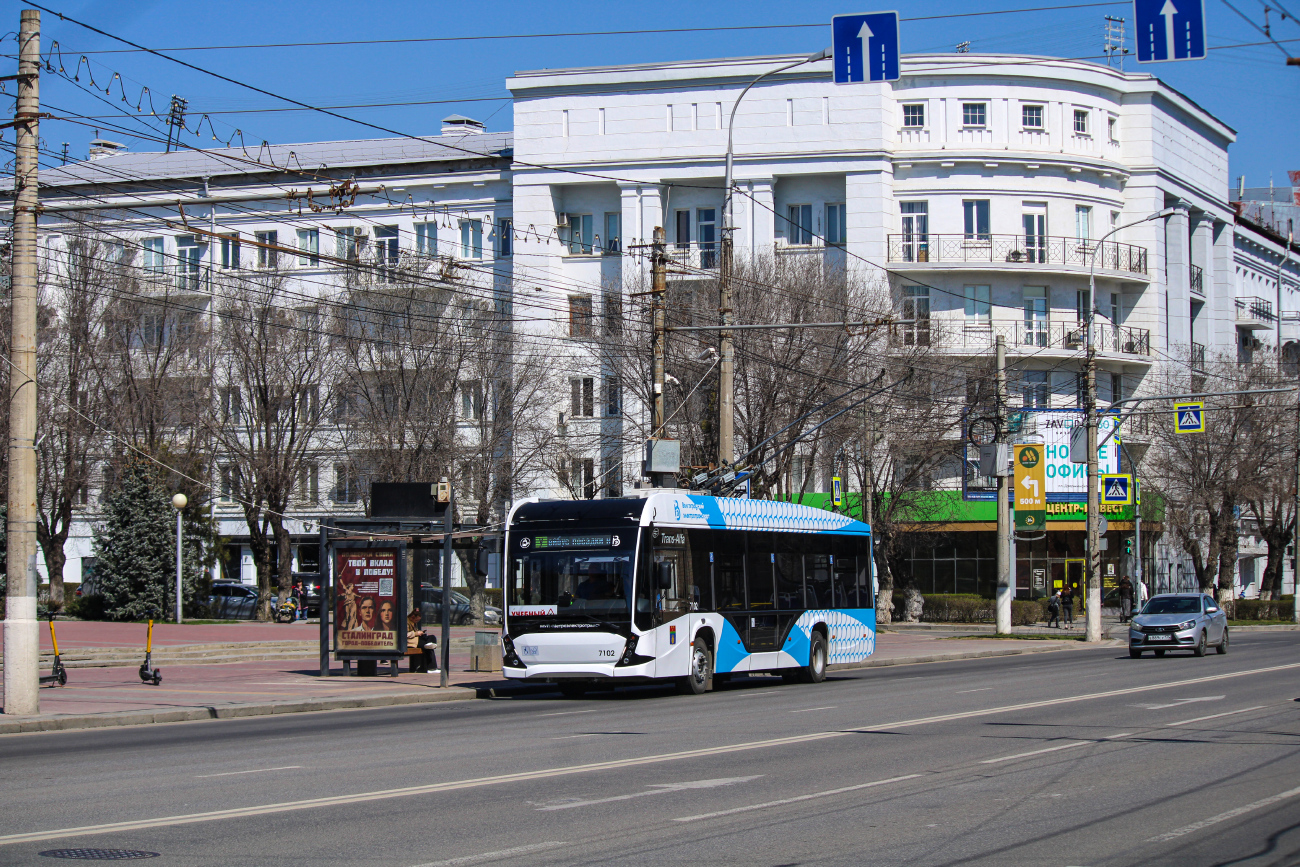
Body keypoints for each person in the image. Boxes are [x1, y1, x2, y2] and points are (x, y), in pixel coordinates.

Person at [407, 608, 438, 673]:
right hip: (410, 642)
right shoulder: (406, 622)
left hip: (416, 639)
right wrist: (416, 633)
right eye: (416, 620)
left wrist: (420, 633)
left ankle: (429, 644)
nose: (416, 622)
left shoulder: (413, 623)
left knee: (432, 638)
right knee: (428, 647)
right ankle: (431, 668)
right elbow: (405, 634)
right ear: (412, 617)